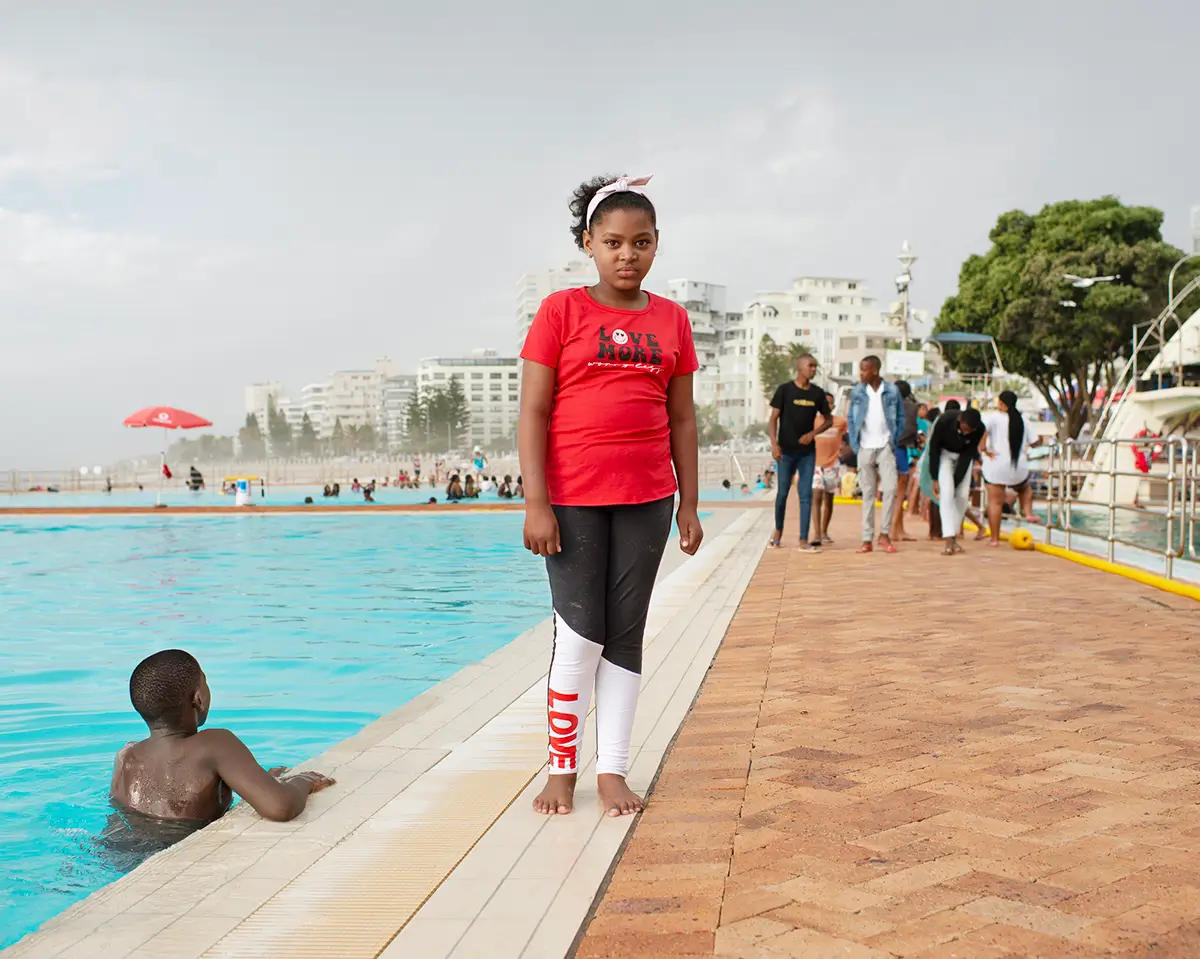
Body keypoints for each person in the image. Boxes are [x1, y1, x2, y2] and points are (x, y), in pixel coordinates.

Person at [518, 172, 701, 819]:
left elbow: (682, 418)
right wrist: (536, 502)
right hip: (571, 499)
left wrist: (690, 503)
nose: (628, 254)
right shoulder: (561, 311)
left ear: (656, 245)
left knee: (625, 635)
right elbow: (533, 412)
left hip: (648, 497)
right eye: (614, 241)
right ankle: (561, 770)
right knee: (579, 635)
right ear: (589, 244)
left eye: (641, 242)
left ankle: (612, 770)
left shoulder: (672, 320)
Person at [110, 650, 333, 827]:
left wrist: (261, 782)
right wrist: (303, 782)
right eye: (205, 682)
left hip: (114, 852)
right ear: (198, 699)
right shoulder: (215, 744)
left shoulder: (126, 755)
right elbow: (280, 808)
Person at [768, 354, 833, 550]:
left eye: (815, 366)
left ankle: (803, 539)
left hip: (806, 454)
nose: (813, 369)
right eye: (810, 366)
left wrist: (813, 433)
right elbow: (773, 419)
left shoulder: (818, 393)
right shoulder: (785, 390)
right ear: (800, 367)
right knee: (782, 494)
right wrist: (774, 444)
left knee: (806, 495)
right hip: (785, 453)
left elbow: (828, 419)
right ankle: (778, 532)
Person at [846, 356, 905, 554]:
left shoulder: (892, 390)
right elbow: (851, 419)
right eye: (860, 370)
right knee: (868, 494)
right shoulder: (857, 391)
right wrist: (855, 444)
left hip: (885, 446)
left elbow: (900, 417)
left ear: (875, 371)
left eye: (864, 370)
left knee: (890, 489)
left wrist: (893, 440)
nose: (861, 374)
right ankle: (866, 539)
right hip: (864, 446)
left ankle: (885, 534)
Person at [981, 390, 1040, 546]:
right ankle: (1027, 513)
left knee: (995, 503)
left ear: (1001, 403)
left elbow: (982, 434)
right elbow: (1034, 442)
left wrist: (984, 450)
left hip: (996, 466)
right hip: (1018, 468)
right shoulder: (1023, 420)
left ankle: (994, 539)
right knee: (1024, 488)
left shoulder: (992, 418)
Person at [925, 407, 985, 555]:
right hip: (944, 455)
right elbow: (934, 448)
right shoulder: (945, 421)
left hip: (964, 457)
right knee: (947, 494)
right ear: (960, 421)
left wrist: (957, 480)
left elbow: (968, 454)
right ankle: (948, 539)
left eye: (970, 431)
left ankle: (953, 535)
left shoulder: (979, 429)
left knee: (962, 496)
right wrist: (934, 478)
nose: (966, 433)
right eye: (965, 429)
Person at [811, 392, 848, 545]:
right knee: (816, 496)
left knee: (829, 499)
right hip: (815, 464)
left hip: (833, 465)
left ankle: (825, 531)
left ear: (834, 405)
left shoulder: (840, 422)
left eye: (830, 403)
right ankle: (817, 534)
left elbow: (847, 440)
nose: (827, 405)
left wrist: (842, 454)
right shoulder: (811, 421)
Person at [890, 381, 920, 543]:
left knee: (893, 492)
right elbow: (911, 430)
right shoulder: (910, 407)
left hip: (885, 449)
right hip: (900, 449)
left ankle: (899, 528)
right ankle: (894, 529)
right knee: (900, 492)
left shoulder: (887, 403)